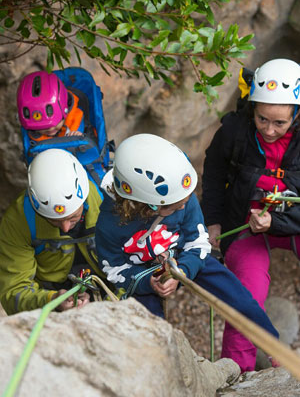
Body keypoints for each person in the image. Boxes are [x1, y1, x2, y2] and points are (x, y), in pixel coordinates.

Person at [95, 133, 279, 371]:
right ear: (148, 204)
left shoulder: (181, 197)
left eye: (186, 199)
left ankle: (273, 345)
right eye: (176, 206)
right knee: (152, 329)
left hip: (184, 257)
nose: (185, 205)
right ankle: (166, 371)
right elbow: (114, 269)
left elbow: (198, 240)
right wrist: (146, 284)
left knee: (237, 294)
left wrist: (184, 268)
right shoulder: (109, 225)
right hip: (143, 275)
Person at [201, 58, 300, 372]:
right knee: (246, 294)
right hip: (245, 222)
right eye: (262, 119)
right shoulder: (234, 132)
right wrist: (213, 219)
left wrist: (277, 221)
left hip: (293, 222)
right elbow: (215, 173)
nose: (269, 130)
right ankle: (237, 374)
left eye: (280, 123)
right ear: (252, 109)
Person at [0, 148, 104, 314]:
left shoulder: (108, 203)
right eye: (54, 220)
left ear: (83, 200)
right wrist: (51, 300)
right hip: (52, 295)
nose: (65, 228)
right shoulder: (18, 221)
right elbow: (13, 291)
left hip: (107, 284)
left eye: (73, 217)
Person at [17, 70, 84, 140]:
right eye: (43, 127)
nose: (50, 129)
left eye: (56, 124)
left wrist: (81, 137)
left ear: (66, 110)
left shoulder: (75, 119)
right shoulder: (32, 134)